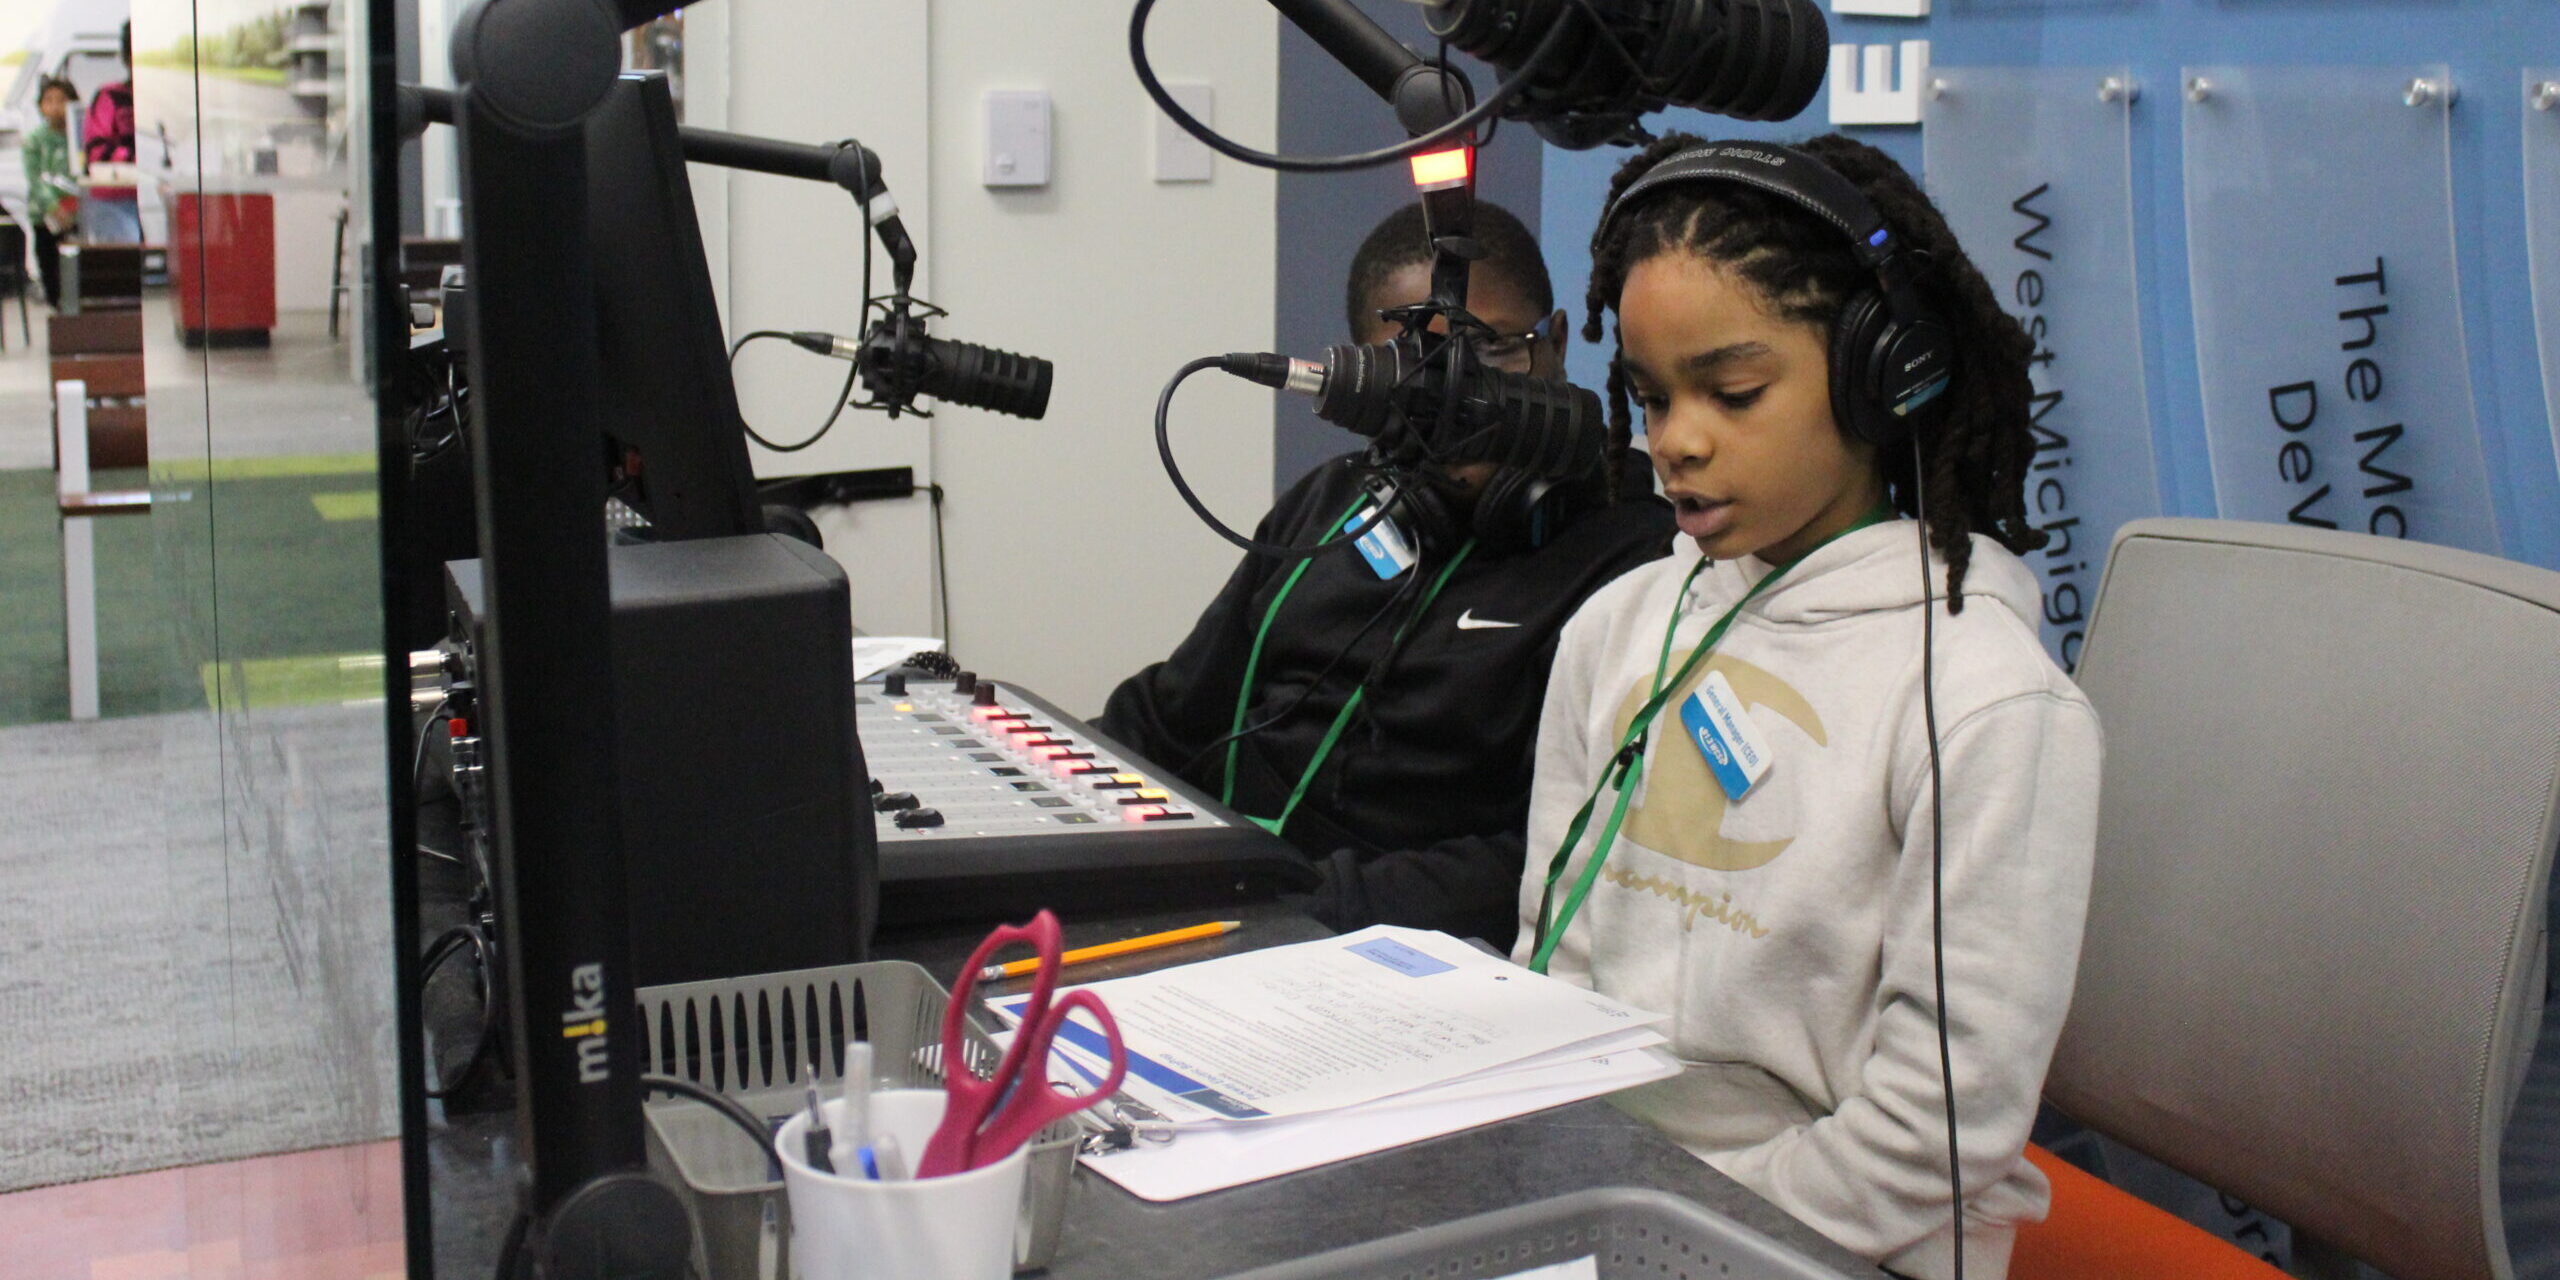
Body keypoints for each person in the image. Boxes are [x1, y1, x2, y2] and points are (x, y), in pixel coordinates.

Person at [1514, 134, 2101, 1280]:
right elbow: (1554, 968)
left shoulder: (1987, 702)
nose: (1675, 440)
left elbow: (1936, 1131)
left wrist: (1666, 1229)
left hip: (1840, 1243)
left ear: (1886, 376)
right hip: (1606, 1201)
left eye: (1732, 393)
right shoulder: (1616, 630)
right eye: (1650, 396)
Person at [1098, 199, 1676, 949]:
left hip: (1382, 949)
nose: (1460, 399)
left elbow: (1558, 851)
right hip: (1228, 905)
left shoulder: (1635, 560)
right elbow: (1171, 718)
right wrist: (1049, 790)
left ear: (1556, 343)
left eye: (1494, 350)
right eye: (1417, 369)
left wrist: (1302, 908)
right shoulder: (1331, 501)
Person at [78, 22, 140, 244]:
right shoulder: (109, 96)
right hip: (117, 200)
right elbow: (96, 152)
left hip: (158, 196)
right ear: (127, 58)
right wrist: (137, 159)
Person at [22, 77, 79, 307]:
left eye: (62, 100)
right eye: (49, 100)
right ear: (40, 106)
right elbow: (35, 179)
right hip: (45, 218)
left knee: (78, 274)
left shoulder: (79, 137)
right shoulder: (34, 140)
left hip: (77, 215)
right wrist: (54, 207)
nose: (55, 106)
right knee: (51, 275)